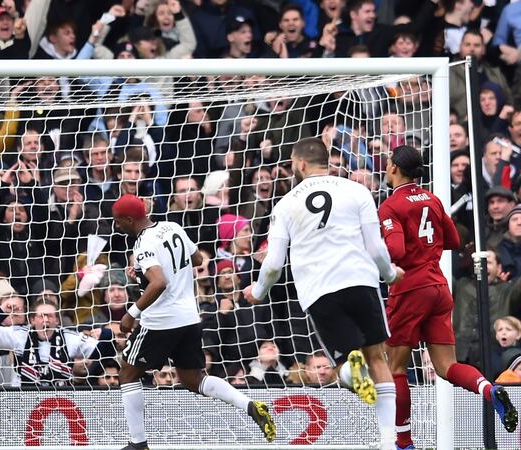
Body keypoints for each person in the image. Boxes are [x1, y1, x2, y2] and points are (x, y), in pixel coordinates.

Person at [243, 137, 403, 450]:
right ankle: (389, 442)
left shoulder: (286, 204)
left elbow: (274, 263)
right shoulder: (356, 190)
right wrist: (390, 274)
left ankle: (348, 373)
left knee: (344, 363)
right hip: (361, 282)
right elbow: (375, 246)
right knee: (378, 358)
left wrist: (258, 290)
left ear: (300, 163)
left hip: (320, 291)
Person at [379, 145, 518, 449]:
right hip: (439, 289)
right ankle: (487, 389)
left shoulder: (391, 206)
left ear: (395, 169)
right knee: (446, 367)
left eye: (389, 162)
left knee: (396, 368)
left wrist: (376, 253)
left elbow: (397, 251)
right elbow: (454, 240)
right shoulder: (432, 199)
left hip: (410, 289)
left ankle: (404, 442)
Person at [112, 194, 275, 450]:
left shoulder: (143, 244)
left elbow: (159, 282)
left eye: (118, 221)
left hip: (161, 321)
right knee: (192, 380)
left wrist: (131, 312)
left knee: (127, 373)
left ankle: (137, 443)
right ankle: (249, 404)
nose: (117, 226)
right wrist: (144, 273)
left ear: (129, 219)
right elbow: (197, 260)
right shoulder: (173, 227)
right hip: (189, 318)